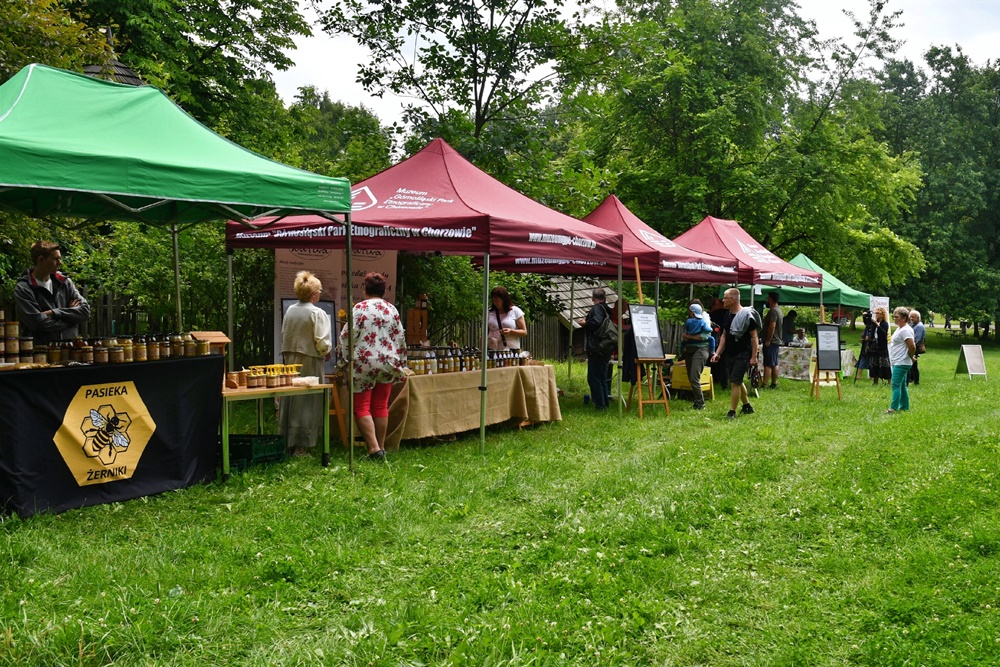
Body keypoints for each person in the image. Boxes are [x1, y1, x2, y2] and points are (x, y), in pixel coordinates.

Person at [338, 272, 408, 460]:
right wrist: (401, 363)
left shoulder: (359, 309)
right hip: (387, 362)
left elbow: (346, 337)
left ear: (364, 289)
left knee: (361, 406)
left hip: (364, 362)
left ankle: (373, 449)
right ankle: (381, 447)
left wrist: (342, 361)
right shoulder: (392, 309)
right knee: (380, 405)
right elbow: (400, 337)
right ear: (384, 290)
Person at [280, 271, 333, 458]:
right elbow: (322, 341)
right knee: (307, 400)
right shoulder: (317, 313)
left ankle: (287, 440)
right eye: (319, 290)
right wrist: (326, 352)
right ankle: (301, 446)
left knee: (291, 397)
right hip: (310, 358)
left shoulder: (290, 310)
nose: (320, 293)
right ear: (313, 295)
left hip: (291, 359)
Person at [14, 240, 91, 344]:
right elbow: (38, 324)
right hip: (41, 353)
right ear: (41, 259)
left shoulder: (64, 283)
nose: (60, 263)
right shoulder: (24, 289)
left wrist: (54, 313)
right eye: (56, 259)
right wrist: (71, 316)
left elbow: (85, 311)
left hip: (70, 350)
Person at [710, 287, 760, 419]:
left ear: (732, 300)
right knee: (736, 381)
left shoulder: (747, 316)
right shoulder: (727, 315)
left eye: (725, 298)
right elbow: (724, 336)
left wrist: (754, 356)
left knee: (734, 383)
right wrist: (718, 353)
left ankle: (732, 412)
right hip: (730, 353)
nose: (722, 300)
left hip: (743, 353)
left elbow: (754, 337)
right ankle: (747, 406)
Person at [579, 288, 613, 411]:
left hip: (597, 347)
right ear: (605, 297)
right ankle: (604, 403)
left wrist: (585, 323)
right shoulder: (607, 310)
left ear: (593, 297)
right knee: (602, 377)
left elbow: (596, 323)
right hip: (606, 347)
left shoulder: (597, 309)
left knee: (594, 378)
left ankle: (600, 405)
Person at [681, 302, 712, 410]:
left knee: (694, 377)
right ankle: (696, 402)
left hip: (701, 349)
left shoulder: (704, 319)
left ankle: (700, 403)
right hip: (690, 349)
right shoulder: (690, 320)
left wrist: (689, 336)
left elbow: (705, 336)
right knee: (691, 377)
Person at [886, 306, 916, 414]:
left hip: (901, 362)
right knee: (902, 385)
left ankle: (893, 408)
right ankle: (904, 406)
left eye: (897, 317)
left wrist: (910, 356)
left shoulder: (906, 331)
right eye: (893, 317)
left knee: (895, 385)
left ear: (904, 318)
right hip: (898, 361)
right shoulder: (900, 329)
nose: (894, 319)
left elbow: (912, 346)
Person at [486, 286, 527, 351]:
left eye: (497, 300)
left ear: (504, 299)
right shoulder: (489, 312)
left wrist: (511, 331)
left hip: (510, 349)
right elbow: (485, 332)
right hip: (492, 349)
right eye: (493, 300)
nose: (495, 302)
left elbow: (524, 332)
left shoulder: (515, 311)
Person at [761, 292, 783, 389]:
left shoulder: (773, 311)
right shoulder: (779, 310)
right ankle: (773, 383)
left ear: (770, 299)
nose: (766, 300)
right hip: (776, 340)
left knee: (768, 363)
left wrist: (768, 340)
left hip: (772, 341)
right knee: (774, 363)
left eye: (767, 298)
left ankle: (765, 384)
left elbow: (772, 326)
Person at [708, 297, 730, 388]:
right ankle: (722, 381)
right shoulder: (728, 313)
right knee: (723, 362)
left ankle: (716, 379)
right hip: (722, 339)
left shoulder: (714, 314)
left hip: (717, 339)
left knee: (715, 360)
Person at [869, 307, 892, 385]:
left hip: (882, 347)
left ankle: (889, 381)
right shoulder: (874, 324)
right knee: (875, 363)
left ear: (882, 315)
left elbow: (883, 334)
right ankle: (875, 381)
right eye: (875, 313)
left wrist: (878, 326)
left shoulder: (884, 324)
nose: (876, 315)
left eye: (878, 313)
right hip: (875, 346)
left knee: (884, 363)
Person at [908, 309, 926, 385]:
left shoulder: (919, 326)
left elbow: (917, 339)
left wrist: (910, 346)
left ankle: (916, 381)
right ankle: (912, 379)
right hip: (912, 346)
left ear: (918, 318)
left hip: (915, 347)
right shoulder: (912, 324)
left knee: (914, 364)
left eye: (913, 317)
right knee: (912, 364)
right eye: (910, 316)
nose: (911, 318)